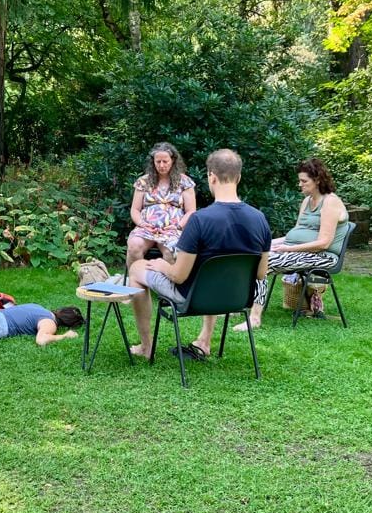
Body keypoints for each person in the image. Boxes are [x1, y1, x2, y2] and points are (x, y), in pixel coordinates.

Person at [127, 148, 271, 360]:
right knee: (211, 273)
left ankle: (146, 347)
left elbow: (178, 276)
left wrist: (161, 265)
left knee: (137, 268)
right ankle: (204, 340)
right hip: (238, 298)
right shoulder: (260, 219)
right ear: (238, 177)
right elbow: (261, 274)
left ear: (211, 177)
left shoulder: (200, 220)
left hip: (193, 298)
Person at [234, 156, 348, 331]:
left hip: (323, 257)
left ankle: (255, 318)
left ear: (317, 180)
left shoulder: (330, 202)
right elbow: (293, 235)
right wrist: (267, 244)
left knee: (264, 263)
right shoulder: (307, 201)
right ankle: (238, 306)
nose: (300, 185)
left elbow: (324, 243)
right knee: (254, 255)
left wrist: (288, 249)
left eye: (304, 181)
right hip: (299, 251)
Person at [126, 142, 196, 269]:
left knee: (171, 251)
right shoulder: (143, 181)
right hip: (146, 229)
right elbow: (135, 210)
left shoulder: (184, 182)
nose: (161, 165)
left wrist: (177, 227)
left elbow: (191, 211)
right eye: (158, 162)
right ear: (153, 162)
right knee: (134, 246)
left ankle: (168, 286)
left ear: (173, 160)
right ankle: (137, 285)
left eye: (165, 161)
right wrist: (142, 224)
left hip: (173, 230)